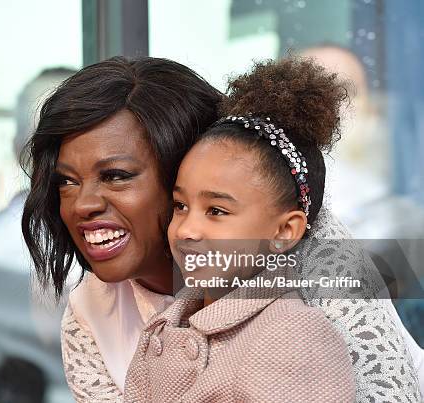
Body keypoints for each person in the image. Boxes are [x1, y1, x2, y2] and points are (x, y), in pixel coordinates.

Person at [21, 56, 422, 402]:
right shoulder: (91, 311)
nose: (84, 204)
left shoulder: (309, 252)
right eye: (67, 181)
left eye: (117, 175)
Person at [124, 57, 355, 402]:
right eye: (180, 206)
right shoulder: (169, 324)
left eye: (216, 210)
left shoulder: (292, 339)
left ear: (284, 231)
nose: (187, 229)